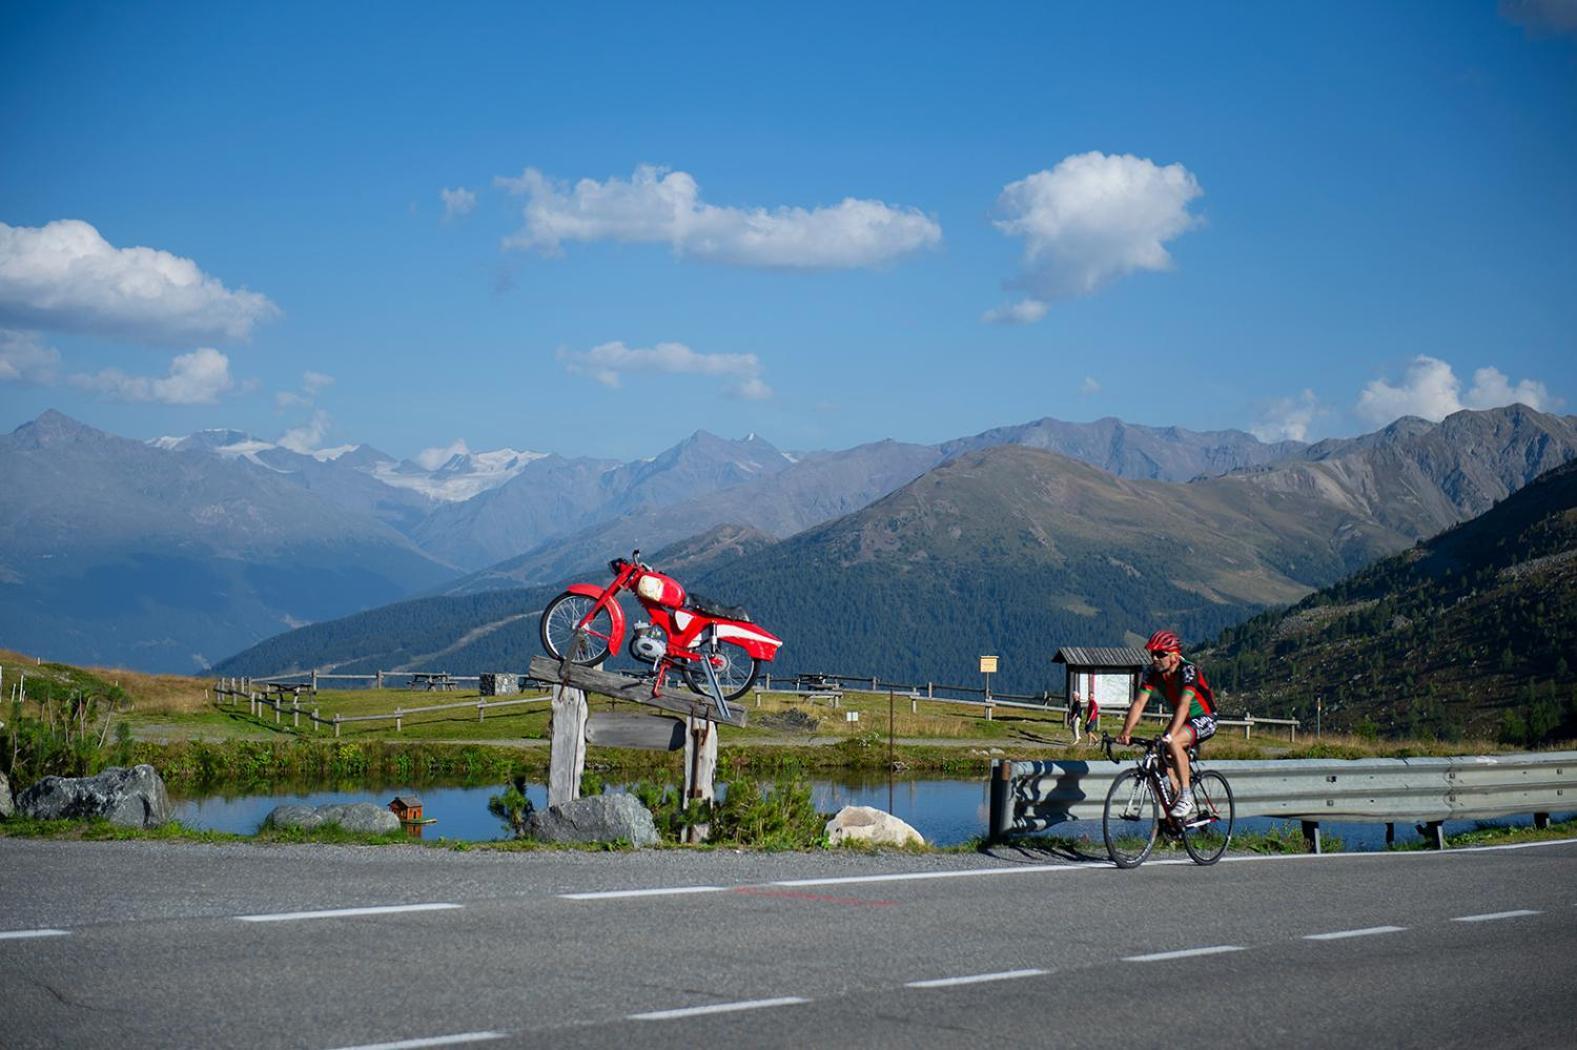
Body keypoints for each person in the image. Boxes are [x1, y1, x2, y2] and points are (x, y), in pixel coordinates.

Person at [1117, 629, 1217, 818]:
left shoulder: (1188, 671)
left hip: (1204, 717)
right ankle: (1174, 807)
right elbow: (1139, 703)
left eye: (1160, 654)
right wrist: (1126, 732)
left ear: (1174, 656)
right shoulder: (1152, 673)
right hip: (1182, 718)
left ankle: (1186, 797)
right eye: (1152, 653)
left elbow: (1184, 706)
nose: (1154, 658)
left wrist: (1170, 735)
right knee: (1161, 761)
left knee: (1172, 742)